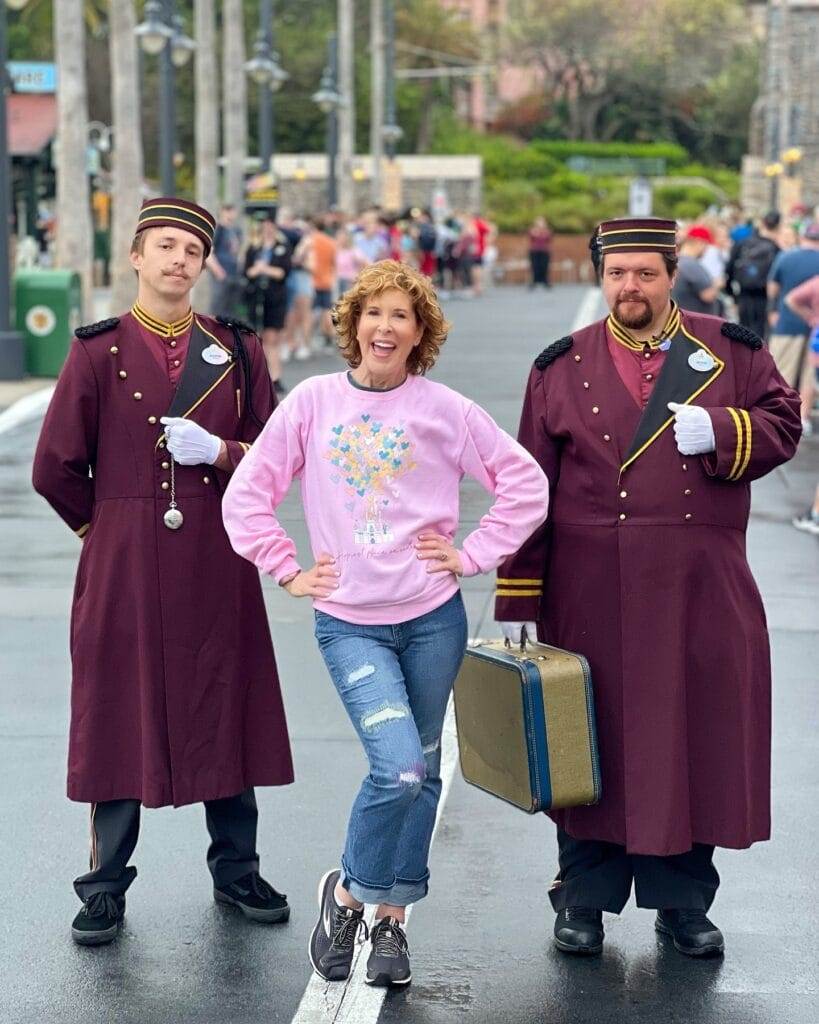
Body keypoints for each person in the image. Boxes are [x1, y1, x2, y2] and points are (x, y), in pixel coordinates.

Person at [222, 260, 548, 987]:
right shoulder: (311, 403)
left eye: (402, 315)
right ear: (353, 324)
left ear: (419, 332)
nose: (385, 326)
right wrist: (286, 568)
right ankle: (344, 896)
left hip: (432, 618)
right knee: (398, 767)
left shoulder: (445, 410)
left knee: (424, 772)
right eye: (373, 313)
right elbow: (248, 496)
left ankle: (392, 922)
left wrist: (469, 554)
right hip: (351, 624)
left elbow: (524, 484)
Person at [496, 217, 801, 960]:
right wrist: (518, 599)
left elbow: (784, 423)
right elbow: (529, 485)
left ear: (672, 273)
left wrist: (727, 431)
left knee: (690, 742)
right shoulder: (560, 364)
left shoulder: (729, 350)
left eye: (644, 273)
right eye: (615, 274)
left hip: (698, 580)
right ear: (600, 276)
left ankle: (682, 905)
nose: (628, 287)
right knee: (581, 742)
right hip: (588, 584)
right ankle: (582, 902)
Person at [32, 197, 294, 947]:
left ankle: (236, 870)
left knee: (227, 699)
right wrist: (109, 524)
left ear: (204, 265)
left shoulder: (236, 349)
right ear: (137, 258)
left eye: (191, 250)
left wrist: (219, 454)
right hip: (123, 562)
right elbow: (54, 466)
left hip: (216, 552)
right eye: (165, 247)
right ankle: (105, 886)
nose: (179, 261)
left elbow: (271, 457)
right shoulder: (97, 350)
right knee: (118, 712)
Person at [767, 221, 819, 433]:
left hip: (787, 323)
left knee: (782, 373)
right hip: (816, 329)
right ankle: (803, 417)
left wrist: (773, 311)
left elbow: (772, 288)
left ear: (802, 236)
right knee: (809, 375)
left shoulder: (786, 257)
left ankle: (780, 417)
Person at [244, 215, 292, 392]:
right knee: (256, 338)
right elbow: (248, 271)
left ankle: (275, 376)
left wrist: (264, 269)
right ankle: (257, 376)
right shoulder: (253, 248)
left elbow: (283, 272)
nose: (267, 229)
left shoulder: (282, 248)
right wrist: (258, 270)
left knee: (272, 338)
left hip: (275, 297)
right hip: (256, 297)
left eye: (270, 226)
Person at [726, 211, 781, 340]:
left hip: (744, 295)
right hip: (764, 297)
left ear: (762, 223)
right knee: (761, 336)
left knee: (743, 334)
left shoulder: (742, 244)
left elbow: (728, 270)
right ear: (778, 226)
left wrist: (733, 296)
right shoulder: (775, 248)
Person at [207, 203, 244, 319]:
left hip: (234, 274)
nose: (231, 214)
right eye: (228, 211)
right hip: (222, 274)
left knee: (232, 309)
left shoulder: (236, 231)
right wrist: (218, 271)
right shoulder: (218, 229)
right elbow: (209, 253)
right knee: (218, 307)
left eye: (232, 211)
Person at [672, 224, 719, 314]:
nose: (706, 250)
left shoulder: (679, 261)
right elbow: (708, 295)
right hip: (696, 322)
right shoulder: (690, 265)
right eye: (706, 245)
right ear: (699, 242)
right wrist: (718, 283)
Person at [310, 217, 338, 349]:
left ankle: (310, 339)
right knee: (326, 310)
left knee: (313, 312)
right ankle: (330, 335)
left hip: (313, 280)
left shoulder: (311, 241)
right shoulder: (331, 242)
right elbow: (334, 263)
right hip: (327, 279)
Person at [528, 216, 553, 289]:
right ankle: (534, 281)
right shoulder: (533, 230)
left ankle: (545, 281)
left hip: (544, 250)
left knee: (544, 266)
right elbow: (531, 237)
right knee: (535, 266)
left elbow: (548, 238)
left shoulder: (547, 231)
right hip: (534, 250)